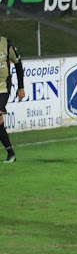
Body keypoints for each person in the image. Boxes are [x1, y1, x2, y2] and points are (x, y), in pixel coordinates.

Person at [0, 35, 25, 163]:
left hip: (3, 88)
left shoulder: (6, 43)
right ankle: (11, 154)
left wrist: (21, 87)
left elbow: (18, 63)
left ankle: (11, 154)